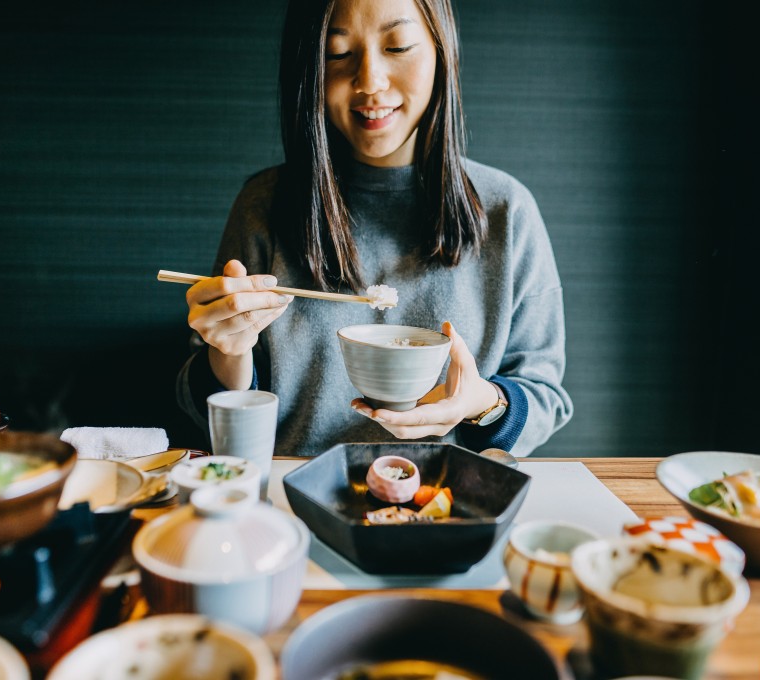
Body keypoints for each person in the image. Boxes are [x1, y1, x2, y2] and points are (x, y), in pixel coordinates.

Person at [176, 0, 572, 457]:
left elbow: (545, 398)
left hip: (446, 508)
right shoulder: (264, 205)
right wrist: (228, 351)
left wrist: (482, 405)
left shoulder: (507, 209)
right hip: (293, 502)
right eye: (338, 54)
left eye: (398, 45)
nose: (369, 82)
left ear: (442, 52)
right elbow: (195, 402)